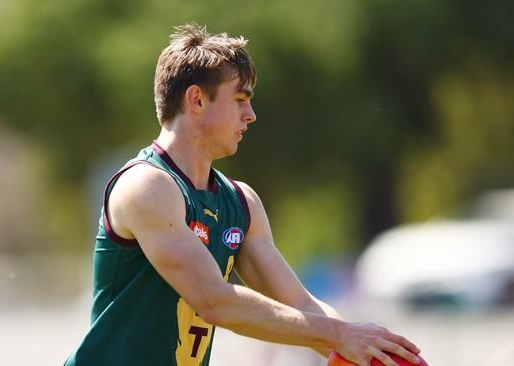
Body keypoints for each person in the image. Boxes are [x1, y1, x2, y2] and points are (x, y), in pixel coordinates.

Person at [64, 23, 421, 366]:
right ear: (197, 100)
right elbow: (214, 300)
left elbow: (299, 304)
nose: (250, 115)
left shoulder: (241, 202)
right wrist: (340, 335)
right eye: (239, 99)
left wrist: (369, 347)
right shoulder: (148, 186)